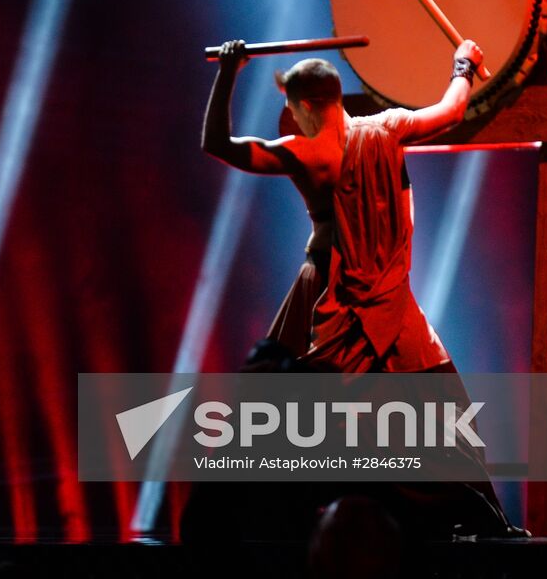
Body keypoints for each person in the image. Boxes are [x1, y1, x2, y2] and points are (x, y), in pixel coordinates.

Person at [195, 38, 524, 539]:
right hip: (385, 292)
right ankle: (486, 520)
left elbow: (217, 144)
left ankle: (235, 523)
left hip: (328, 293)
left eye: (289, 106)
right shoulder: (386, 129)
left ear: (305, 106)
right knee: (440, 400)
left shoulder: (301, 154)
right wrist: (464, 63)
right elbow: (452, 109)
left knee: (274, 403)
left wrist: (229, 72)